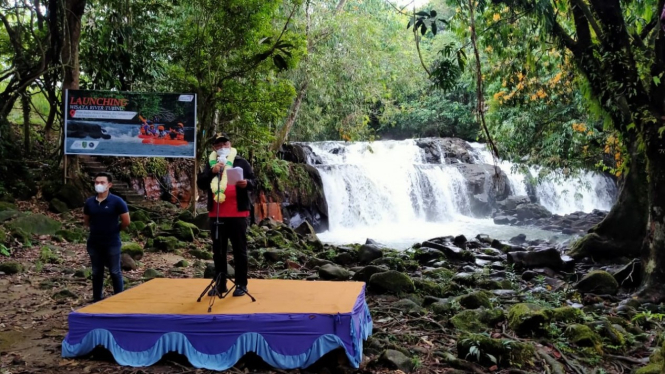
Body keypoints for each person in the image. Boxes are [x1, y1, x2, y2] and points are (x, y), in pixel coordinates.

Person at [197, 133, 255, 297]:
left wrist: (247, 183)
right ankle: (220, 284)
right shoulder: (210, 164)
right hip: (217, 214)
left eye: (225, 143)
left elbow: (254, 182)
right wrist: (211, 172)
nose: (222, 147)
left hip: (238, 213)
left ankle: (241, 284)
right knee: (218, 251)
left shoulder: (241, 162)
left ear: (230, 145)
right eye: (218, 145)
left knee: (239, 250)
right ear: (214, 148)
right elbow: (201, 183)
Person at [83, 172, 130, 302]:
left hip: (112, 242)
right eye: (96, 182)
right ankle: (97, 298)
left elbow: (126, 221)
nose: (99, 185)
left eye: (102, 182)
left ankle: (119, 299)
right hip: (94, 242)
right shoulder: (90, 202)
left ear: (109, 185)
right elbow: (86, 220)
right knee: (97, 271)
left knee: (115, 271)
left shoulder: (117, 201)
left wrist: (115, 230)